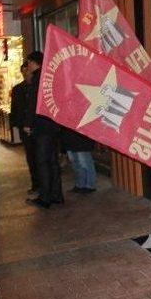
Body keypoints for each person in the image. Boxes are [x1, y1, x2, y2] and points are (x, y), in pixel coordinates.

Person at [25, 51, 64, 209]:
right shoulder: (50, 76)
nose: (28, 67)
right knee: (53, 161)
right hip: (53, 125)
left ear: (34, 62)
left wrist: (28, 123)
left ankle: (45, 197)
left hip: (41, 126)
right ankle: (57, 195)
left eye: (28, 63)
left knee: (42, 162)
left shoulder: (37, 77)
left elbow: (34, 102)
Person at [10, 61, 39, 195]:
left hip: (38, 129)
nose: (26, 73)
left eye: (28, 71)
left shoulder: (37, 87)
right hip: (24, 129)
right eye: (24, 71)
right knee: (31, 158)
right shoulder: (17, 89)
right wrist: (15, 125)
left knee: (41, 157)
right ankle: (35, 184)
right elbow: (14, 109)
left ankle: (44, 184)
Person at [61, 128, 97, 193]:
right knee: (75, 163)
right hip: (69, 137)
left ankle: (90, 185)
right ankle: (80, 184)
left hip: (82, 138)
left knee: (84, 162)